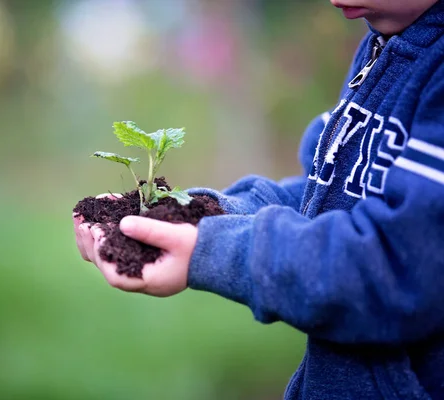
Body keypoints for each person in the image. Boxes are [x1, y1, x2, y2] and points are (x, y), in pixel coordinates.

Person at [73, 0, 444, 398]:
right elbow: (331, 198)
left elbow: (396, 265)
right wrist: (200, 214)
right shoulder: (389, 41)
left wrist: (213, 250)